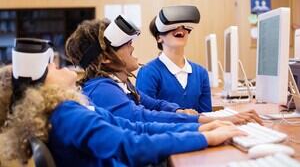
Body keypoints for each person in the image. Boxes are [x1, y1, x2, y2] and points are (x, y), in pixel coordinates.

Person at [0, 38, 245, 167]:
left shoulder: (66, 111)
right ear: (40, 88)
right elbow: (131, 144)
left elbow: (135, 127)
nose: (59, 65)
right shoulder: (66, 115)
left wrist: (198, 128)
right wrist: (203, 136)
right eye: (51, 66)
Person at [66, 15, 262, 125]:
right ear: (107, 58)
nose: (132, 47)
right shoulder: (101, 90)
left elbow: (152, 104)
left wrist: (179, 110)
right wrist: (200, 124)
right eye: (126, 44)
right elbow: (141, 117)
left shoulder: (119, 85)